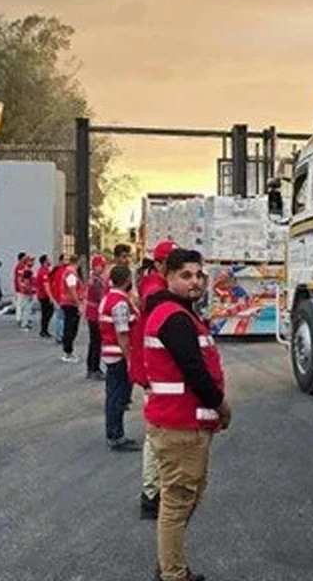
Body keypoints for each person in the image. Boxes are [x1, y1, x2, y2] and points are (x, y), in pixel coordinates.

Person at [144, 248, 230, 581]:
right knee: (178, 501)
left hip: (180, 422)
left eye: (198, 275)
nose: (195, 282)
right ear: (169, 277)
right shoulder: (175, 317)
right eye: (186, 275)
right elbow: (195, 371)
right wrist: (222, 406)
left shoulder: (176, 313)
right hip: (181, 424)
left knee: (183, 497)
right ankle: (173, 574)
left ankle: (169, 562)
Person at [134, 239, 179, 520]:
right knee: (155, 436)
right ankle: (151, 495)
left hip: (153, 371)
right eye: (172, 265)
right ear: (159, 265)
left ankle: (156, 490)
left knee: (159, 432)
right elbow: (152, 298)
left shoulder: (158, 283)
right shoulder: (155, 285)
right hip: (152, 373)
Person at [99, 264, 138, 451]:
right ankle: (116, 435)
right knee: (118, 397)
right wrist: (130, 359)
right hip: (119, 354)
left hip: (110, 353)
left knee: (113, 395)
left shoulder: (109, 298)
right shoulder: (120, 303)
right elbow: (123, 334)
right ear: (128, 280)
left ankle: (114, 433)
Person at [84, 253, 109, 381]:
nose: (103, 268)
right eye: (101, 265)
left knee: (94, 342)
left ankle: (91, 368)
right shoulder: (97, 281)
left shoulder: (93, 279)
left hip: (91, 314)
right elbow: (101, 298)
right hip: (95, 315)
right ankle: (94, 369)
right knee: (96, 342)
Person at [57, 255, 83, 363]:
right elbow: (72, 289)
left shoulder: (68, 271)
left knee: (70, 327)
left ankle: (68, 351)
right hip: (70, 304)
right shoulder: (71, 273)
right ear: (77, 262)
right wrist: (78, 304)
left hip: (67, 303)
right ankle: (68, 352)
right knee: (71, 328)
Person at [13, 252, 33, 329]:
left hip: (21, 289)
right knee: (21, 305)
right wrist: (21, 289)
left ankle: (22, 318)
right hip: (22, 289)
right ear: (22, 258)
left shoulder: (22, 266)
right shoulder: (20, 266)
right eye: (25, 257)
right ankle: (20, 319)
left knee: (21, 304)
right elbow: (20, 279)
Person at [34, 255, 53, 338]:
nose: (50, 261)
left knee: (46, 313)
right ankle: (44, 331)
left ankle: (44, 330)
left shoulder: (44, 270)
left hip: (43, 295)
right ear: (45, 261)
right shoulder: (44, 271)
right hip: (44, 296)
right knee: (47, 313)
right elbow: (46, 286)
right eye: (48, 260)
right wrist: (51, 297)